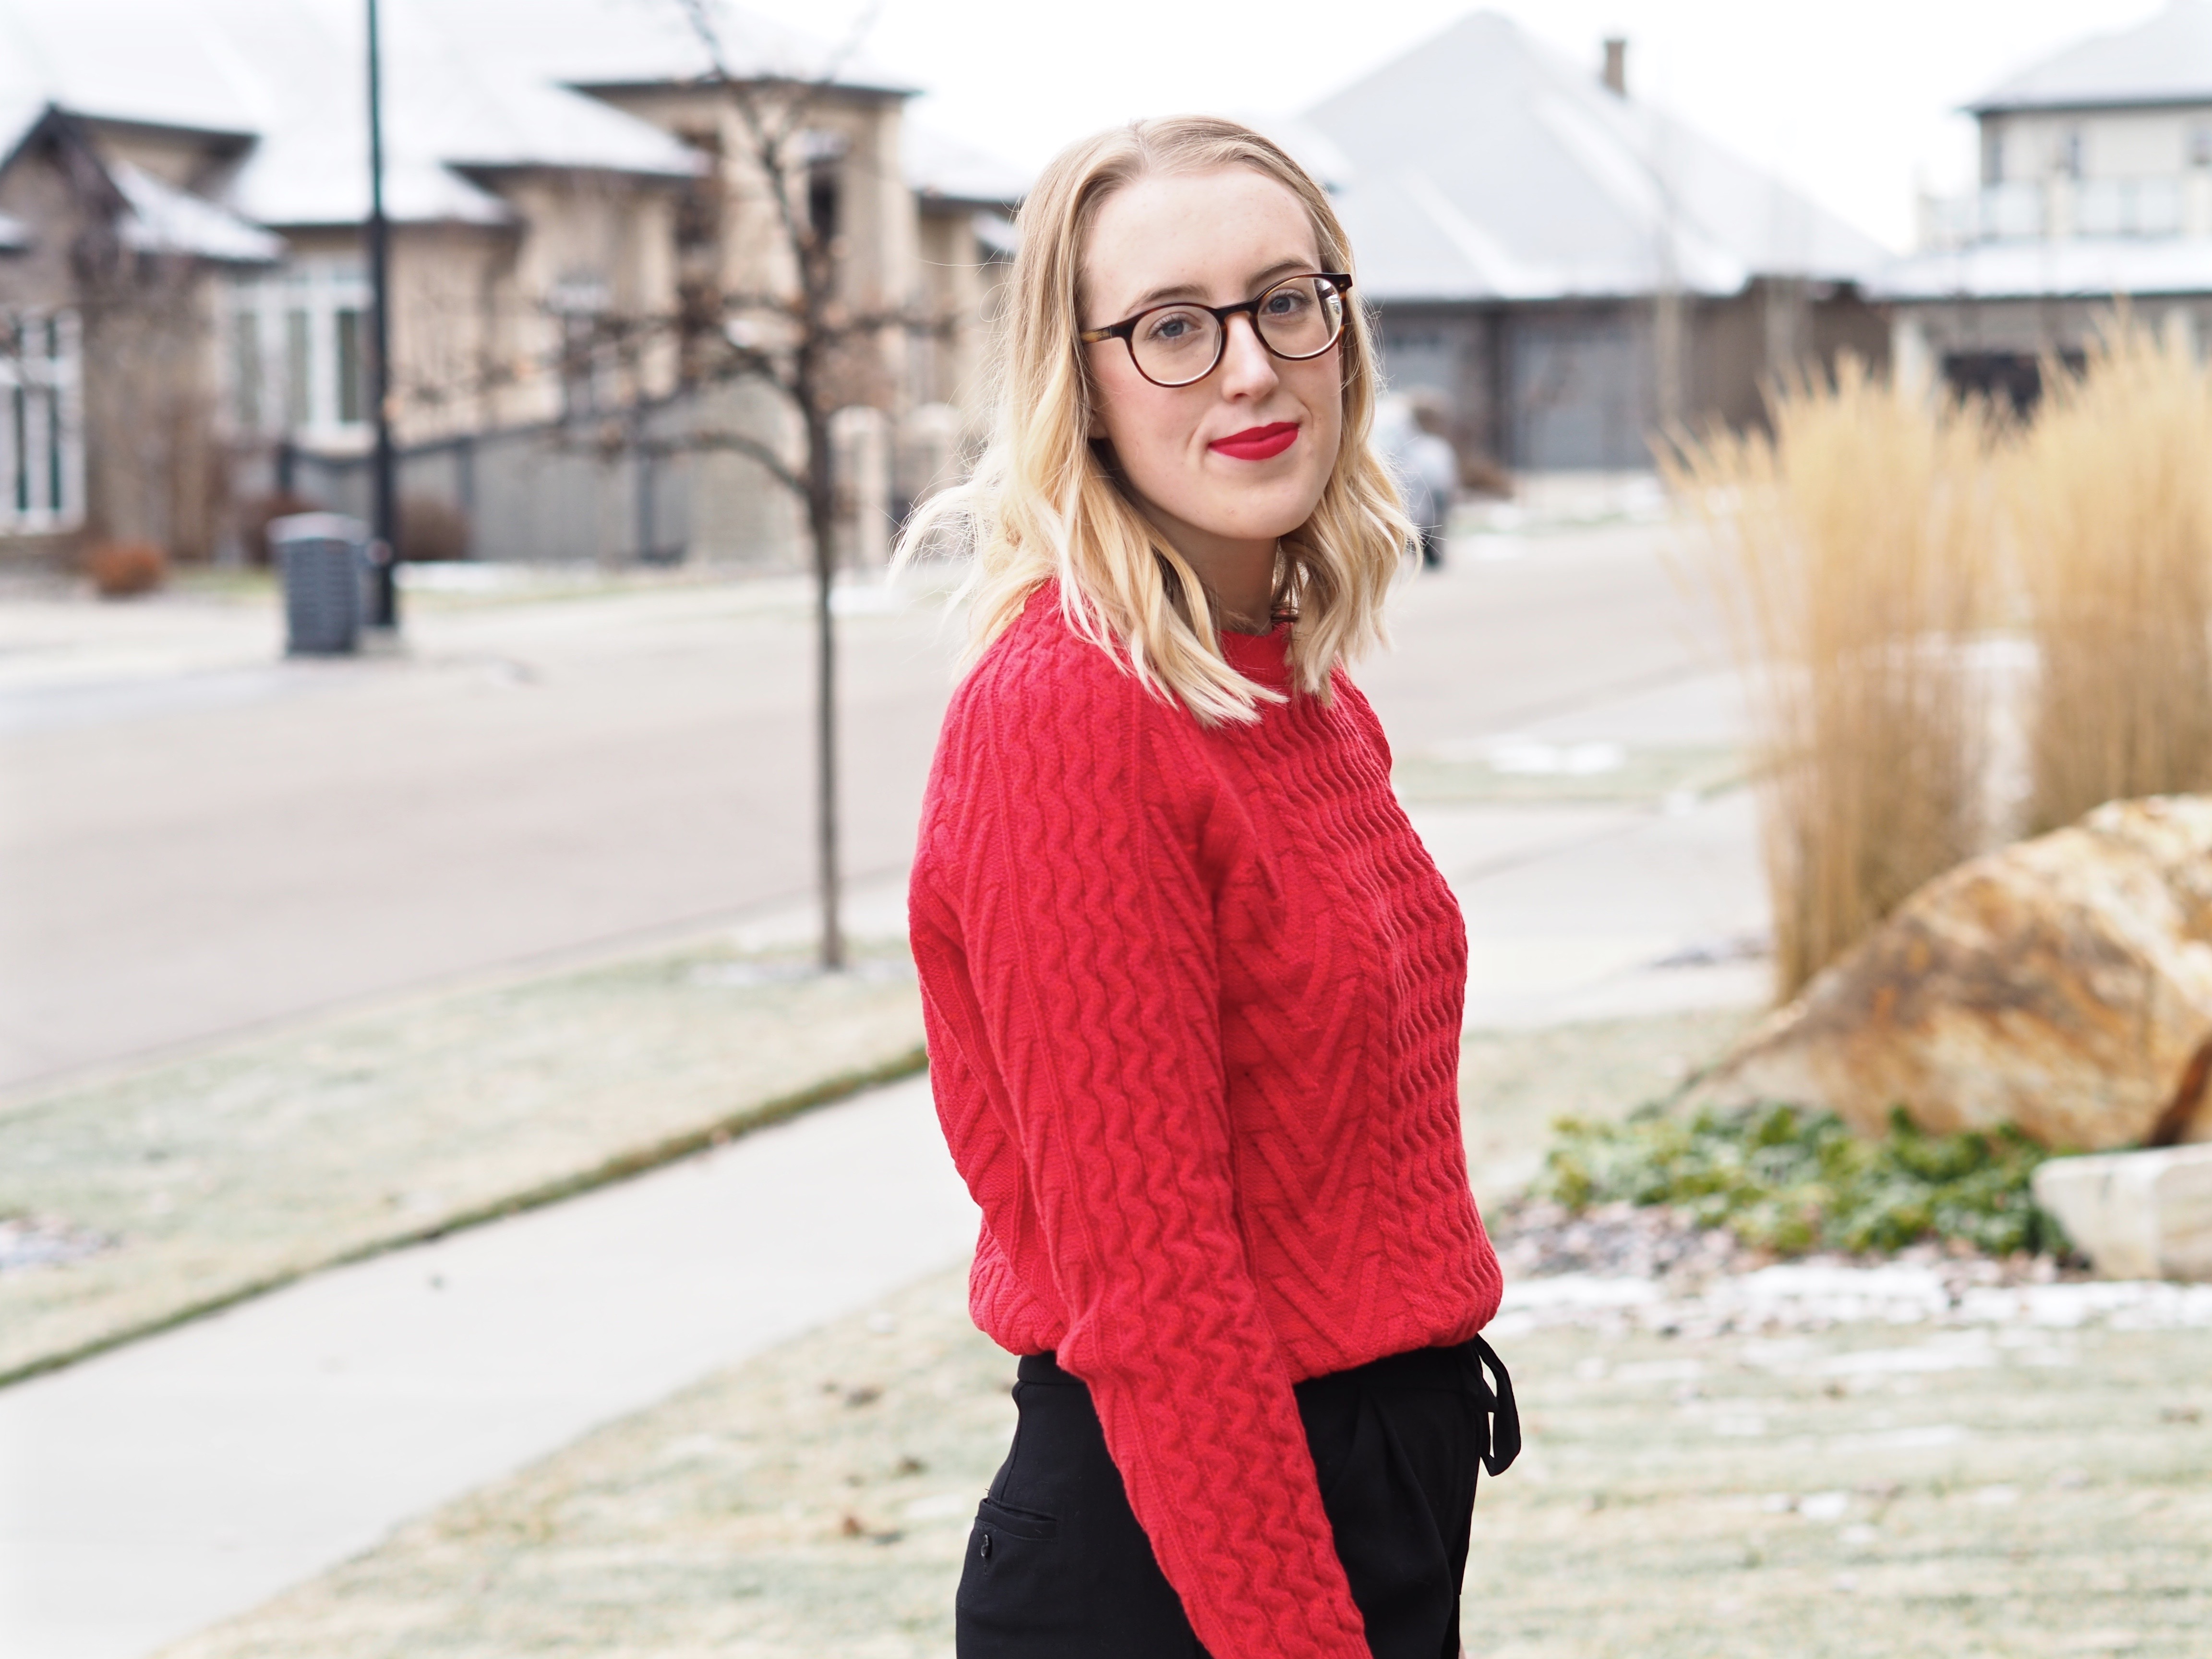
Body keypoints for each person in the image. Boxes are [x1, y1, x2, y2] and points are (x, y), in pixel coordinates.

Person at [898, 115, 1516, 1659]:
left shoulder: (1284, 686)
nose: (1248, 367)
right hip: (1183, 1565)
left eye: (1285, 301)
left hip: (1362, 1500)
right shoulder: (1068, 717)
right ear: (1083, 383)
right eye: (1172, 327)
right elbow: (1158, 1299)